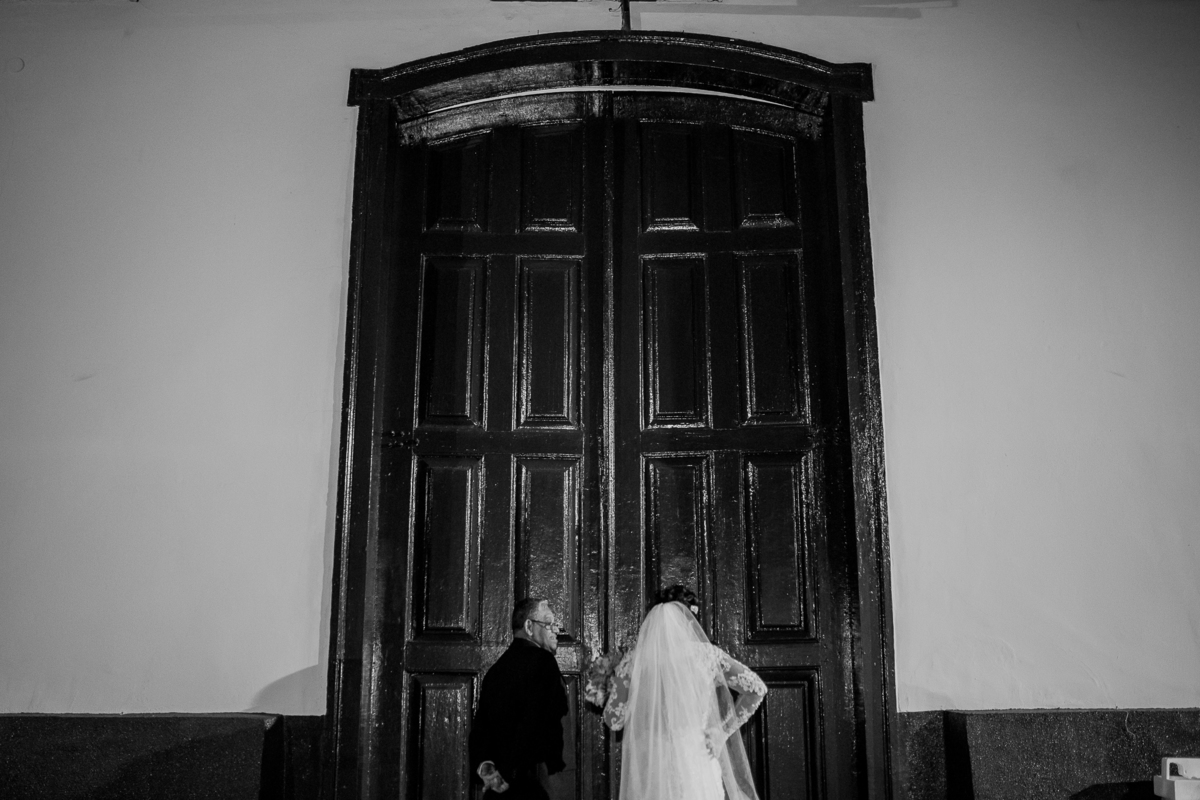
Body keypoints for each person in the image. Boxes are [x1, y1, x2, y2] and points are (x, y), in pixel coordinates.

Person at [602, 585, 767, 800]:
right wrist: (721, 731)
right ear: (690, 620)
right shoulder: (706, 656)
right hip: (696, 757)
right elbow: (756, 689)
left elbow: (614, 721)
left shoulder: (634, 661)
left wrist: (617, 689)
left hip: (652, 764)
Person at [469, 598, 569, 799]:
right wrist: (510, 772)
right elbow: (535, 722)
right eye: (548, 624)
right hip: (534, 785)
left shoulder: (496, 670)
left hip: (498, 788)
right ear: (529, 627)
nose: (556, 630)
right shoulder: (543, 662)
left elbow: (481, 729)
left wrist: (487, 767)